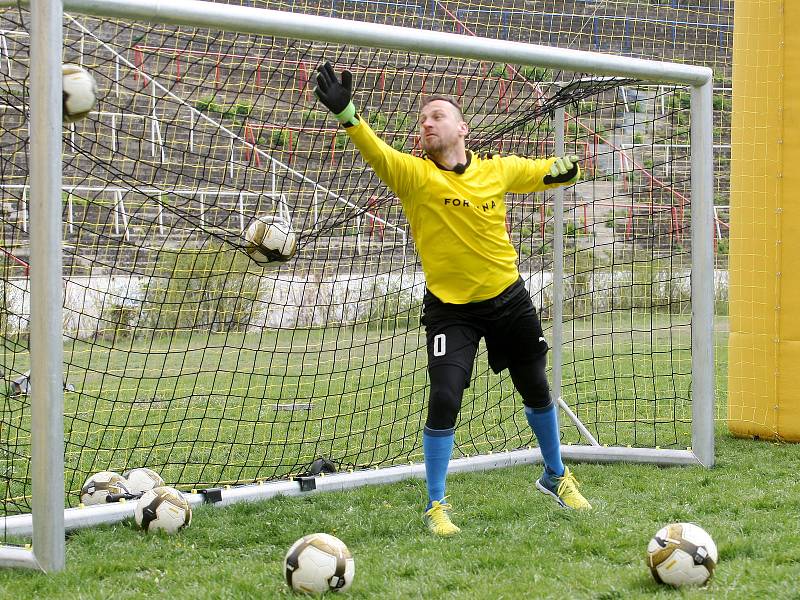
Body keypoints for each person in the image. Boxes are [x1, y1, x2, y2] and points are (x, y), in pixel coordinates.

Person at [314, 62, 592, 537]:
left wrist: (566, 170)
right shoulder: (413, 176)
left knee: (537, 390)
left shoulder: (495, 171)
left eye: (437, 115)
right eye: (422, 118)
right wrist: (348, 113)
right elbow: (375, 150)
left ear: (462, 128)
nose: (426, 123)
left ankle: (556, 475)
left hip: (509, 300)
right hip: (450, 309)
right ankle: (436, 504)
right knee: (444, 396)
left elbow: (546, 172)